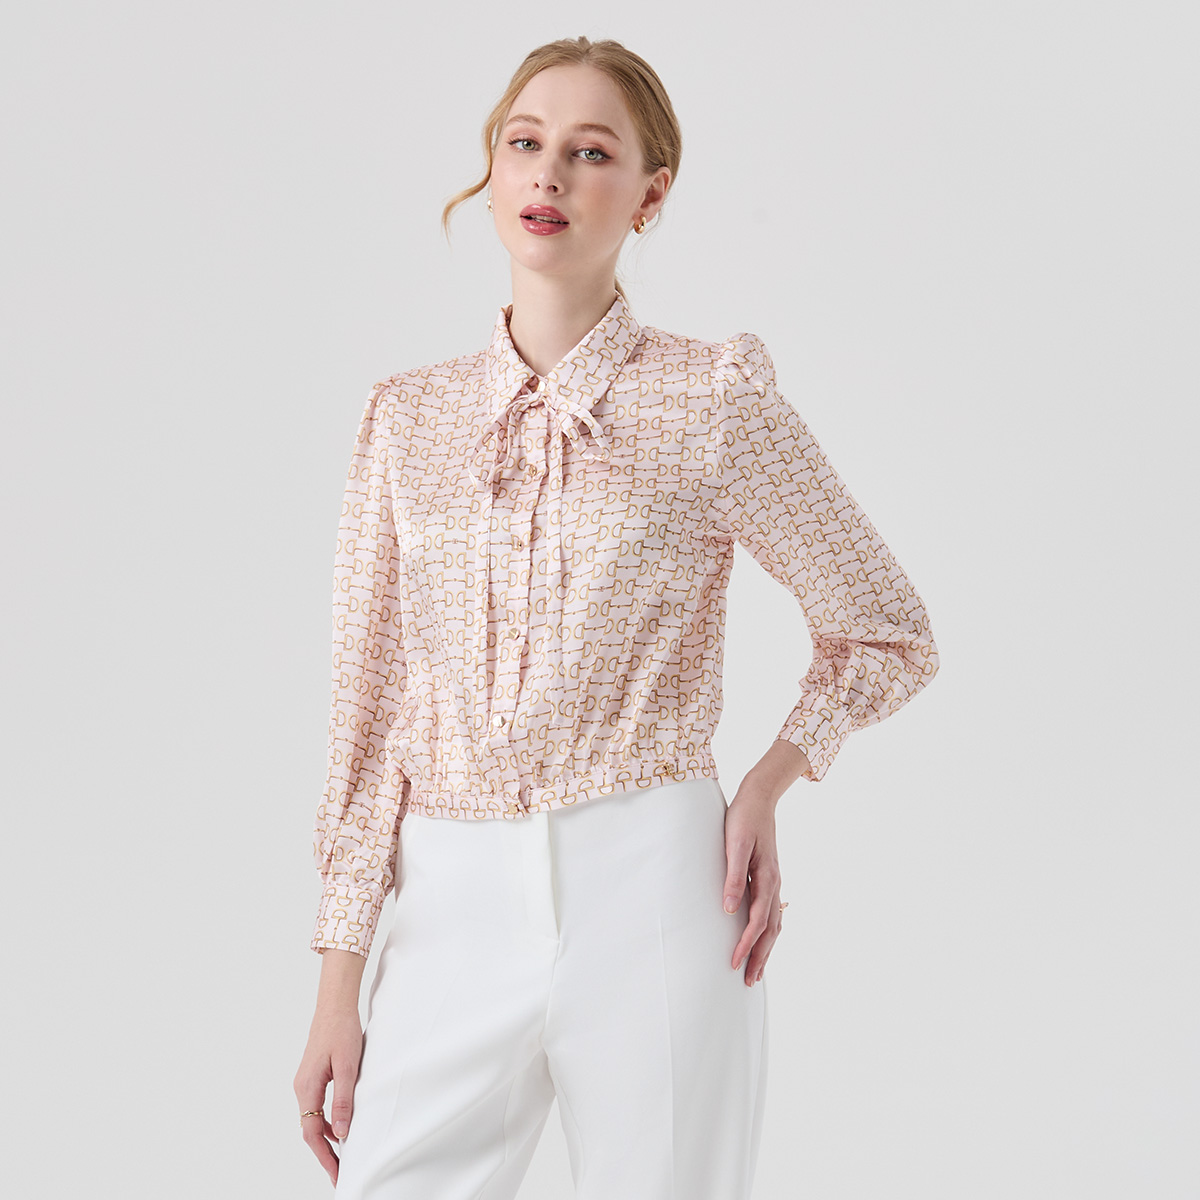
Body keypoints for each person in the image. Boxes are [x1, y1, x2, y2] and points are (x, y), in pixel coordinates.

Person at [294, 34, 939, 1199]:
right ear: (493, 167)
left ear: (650, 192)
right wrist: (339, 985)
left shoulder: (711, 397)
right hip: (447, 907)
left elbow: (885, 625)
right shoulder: (407, 421)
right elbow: (373, 714)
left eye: (591, 152)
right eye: (524, 142)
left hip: (655, 889)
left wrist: (770, 781)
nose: (549, 173)